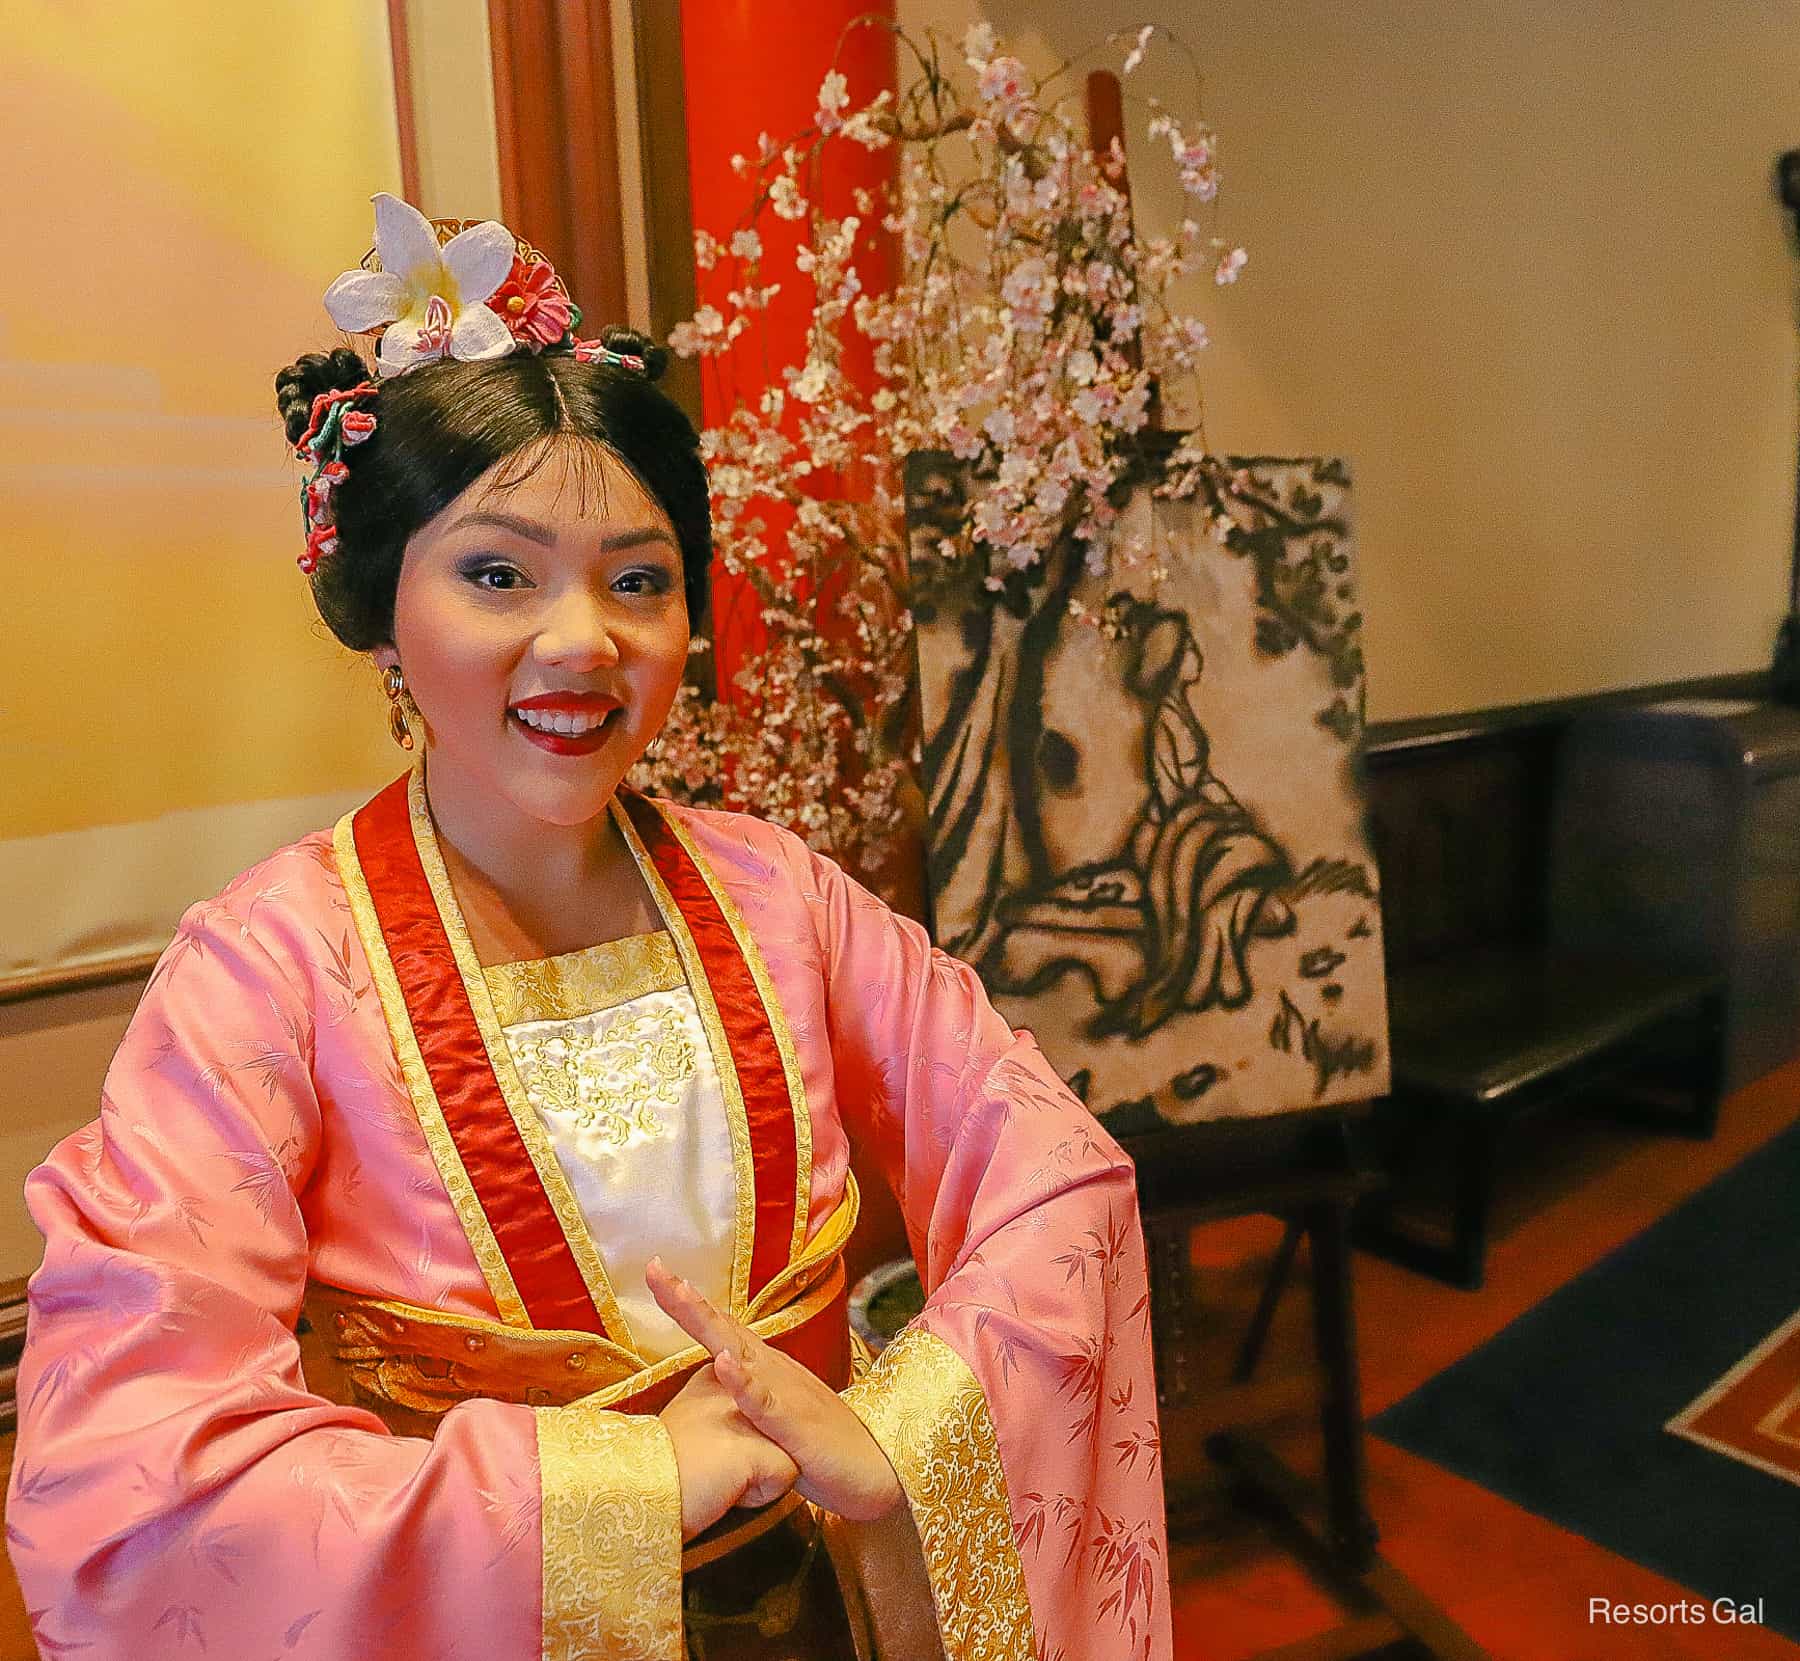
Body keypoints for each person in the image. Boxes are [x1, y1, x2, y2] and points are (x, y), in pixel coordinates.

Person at [8, 194, 1171, 1661]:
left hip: (836, 1603)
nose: (582, 641)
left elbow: (1057, 1175)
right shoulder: (270, 968)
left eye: (640, 580)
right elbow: (125, 1456)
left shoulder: (783, 895)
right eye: (497, 573)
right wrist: (620, 1489)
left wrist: (913, 1422)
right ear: (382, 611)